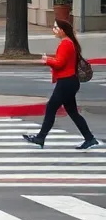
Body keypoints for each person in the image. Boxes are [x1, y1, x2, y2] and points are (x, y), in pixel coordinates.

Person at [24, 19, 99, 149]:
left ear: (62, 30)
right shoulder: (70, 43)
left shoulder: (65, 43)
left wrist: (47, 60)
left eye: (55, 28)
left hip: (66, 82)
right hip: (70, 82)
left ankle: (41, 138)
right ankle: (90, 138)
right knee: (72, 112)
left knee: (51, 108)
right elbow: (62, 60)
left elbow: (60, 64)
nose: (53, 30)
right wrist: (50, 58)